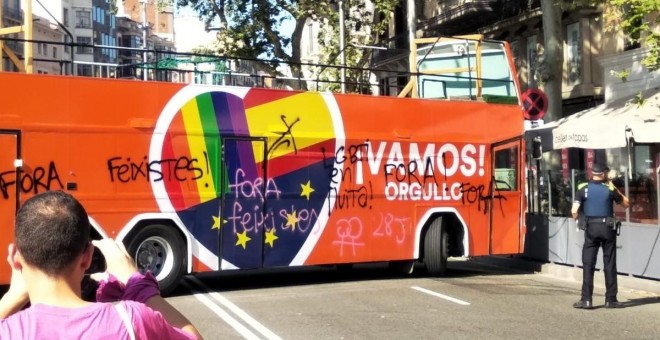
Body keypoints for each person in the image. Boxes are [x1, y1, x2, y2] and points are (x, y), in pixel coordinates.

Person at [0, 190, 203, 339]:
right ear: (87, 257)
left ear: (15, 257)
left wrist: (12, 297)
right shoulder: (131, 321)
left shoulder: (8, 331)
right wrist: (138, 285)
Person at [571, 163, 629, 309]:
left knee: (588, 264)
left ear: (593, 173)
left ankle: (586, 300)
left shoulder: (583, 188)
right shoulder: (609, 189)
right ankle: (610, 299)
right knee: (609, 263)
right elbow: (626, 204)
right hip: (608, 228)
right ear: (603, 174)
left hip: (590, 228)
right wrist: (614, 187)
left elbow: (574, 211)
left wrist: (580, 220)